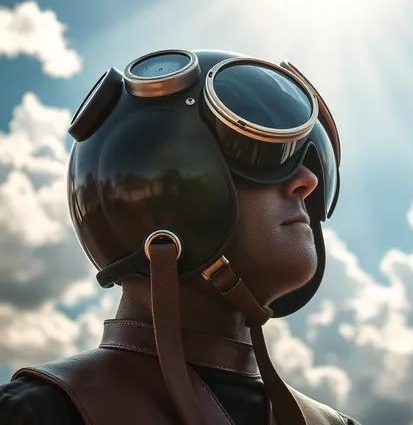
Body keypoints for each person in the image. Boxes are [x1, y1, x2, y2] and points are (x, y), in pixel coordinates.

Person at [0, 49, 361, 425]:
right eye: (257, 153)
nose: (308, 181)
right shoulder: (38, 413)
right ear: (163, 184)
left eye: (310, 159)